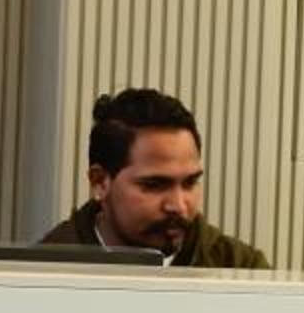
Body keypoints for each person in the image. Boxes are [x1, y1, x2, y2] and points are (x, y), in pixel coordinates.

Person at [40, 88, 271, 269]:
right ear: (100, 182)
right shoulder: (42, 271)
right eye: (154, 185)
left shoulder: (241, 269)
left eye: (190, 183)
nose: (178, 206)